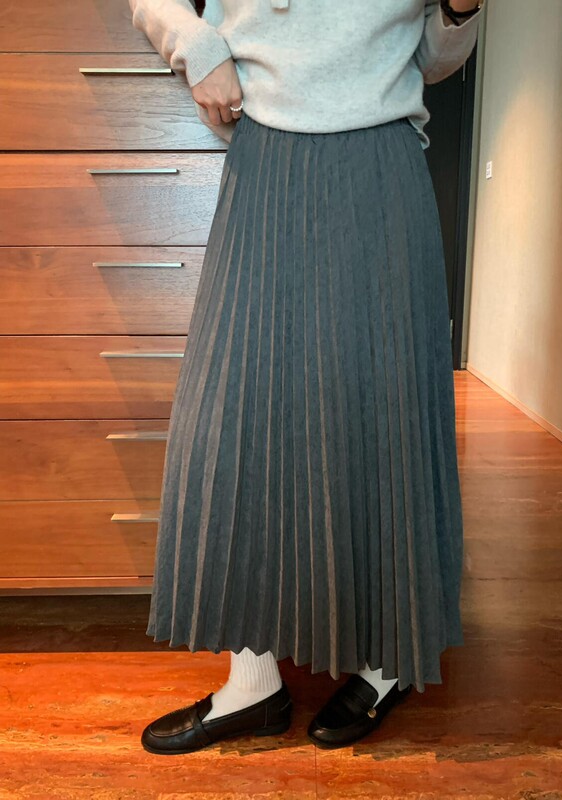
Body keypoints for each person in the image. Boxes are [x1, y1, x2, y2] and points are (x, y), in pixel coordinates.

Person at [128, 0, 484, 754]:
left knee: (381, 411)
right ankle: (253, 680)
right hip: (266, 154)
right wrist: (194, 41)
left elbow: (430, 58)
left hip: (381, 160)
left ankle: (388, 660)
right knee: (235, 420)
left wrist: (461, 11)